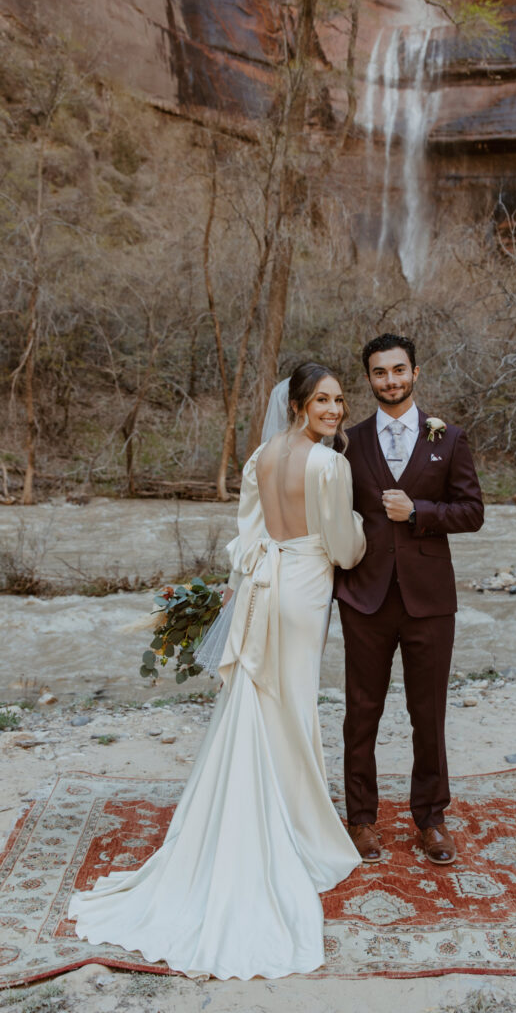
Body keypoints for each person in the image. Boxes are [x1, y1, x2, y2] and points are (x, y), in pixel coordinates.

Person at [68, 363, 366, 980]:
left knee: (258, 700)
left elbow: (247, 533)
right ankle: (298, 827)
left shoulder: (260, 455)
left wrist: (242, 584)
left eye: (339, 400)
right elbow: (342, 545)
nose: (334, 410)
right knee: (294, 703)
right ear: (299, 405)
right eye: (323, 400)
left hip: (260, 581)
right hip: (304, 585)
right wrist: (360, 530)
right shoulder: (330, 465)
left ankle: (263, 807)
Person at [335, 333, 484, 866]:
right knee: (361, 712)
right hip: (364, 598)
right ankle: (361, 820)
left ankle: (432, 820)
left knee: (429, 713)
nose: (390, 381)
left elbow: (472, 512)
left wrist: (419, 512)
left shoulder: (449, 437)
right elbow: (332, 519)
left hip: (429, 601)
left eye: (399, 370)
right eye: (380, 372)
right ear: (369, 379)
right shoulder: (347, 443)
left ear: (415, 373)